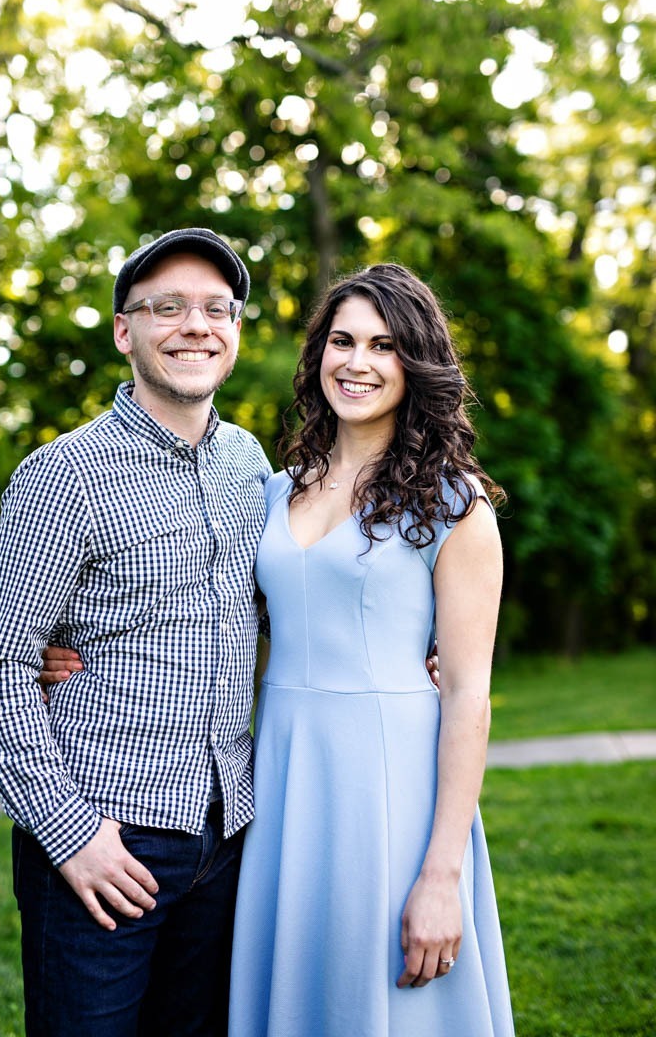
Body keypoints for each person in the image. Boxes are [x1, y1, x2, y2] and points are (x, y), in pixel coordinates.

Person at [0, 227, 273, 1037]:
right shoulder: (63, 474)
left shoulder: (249, 464)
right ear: (123, 331)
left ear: (236, 331)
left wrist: (420, 639)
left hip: (225, 833)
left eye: (215, 308)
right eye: (166, 307)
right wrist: (71, 835)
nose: (195, 325)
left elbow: (284, 601)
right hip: (106, 836)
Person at [227, 263, 515, 1036]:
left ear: (414, 364)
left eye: (384, 346)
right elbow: (214, 622)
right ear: (318, 352)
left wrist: (441, 875)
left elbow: (468, 694)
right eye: (343, 340)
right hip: (286, 776)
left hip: (391, 787)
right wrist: (74, 651)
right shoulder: (272, 488)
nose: (357, 362)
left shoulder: (456, 503)